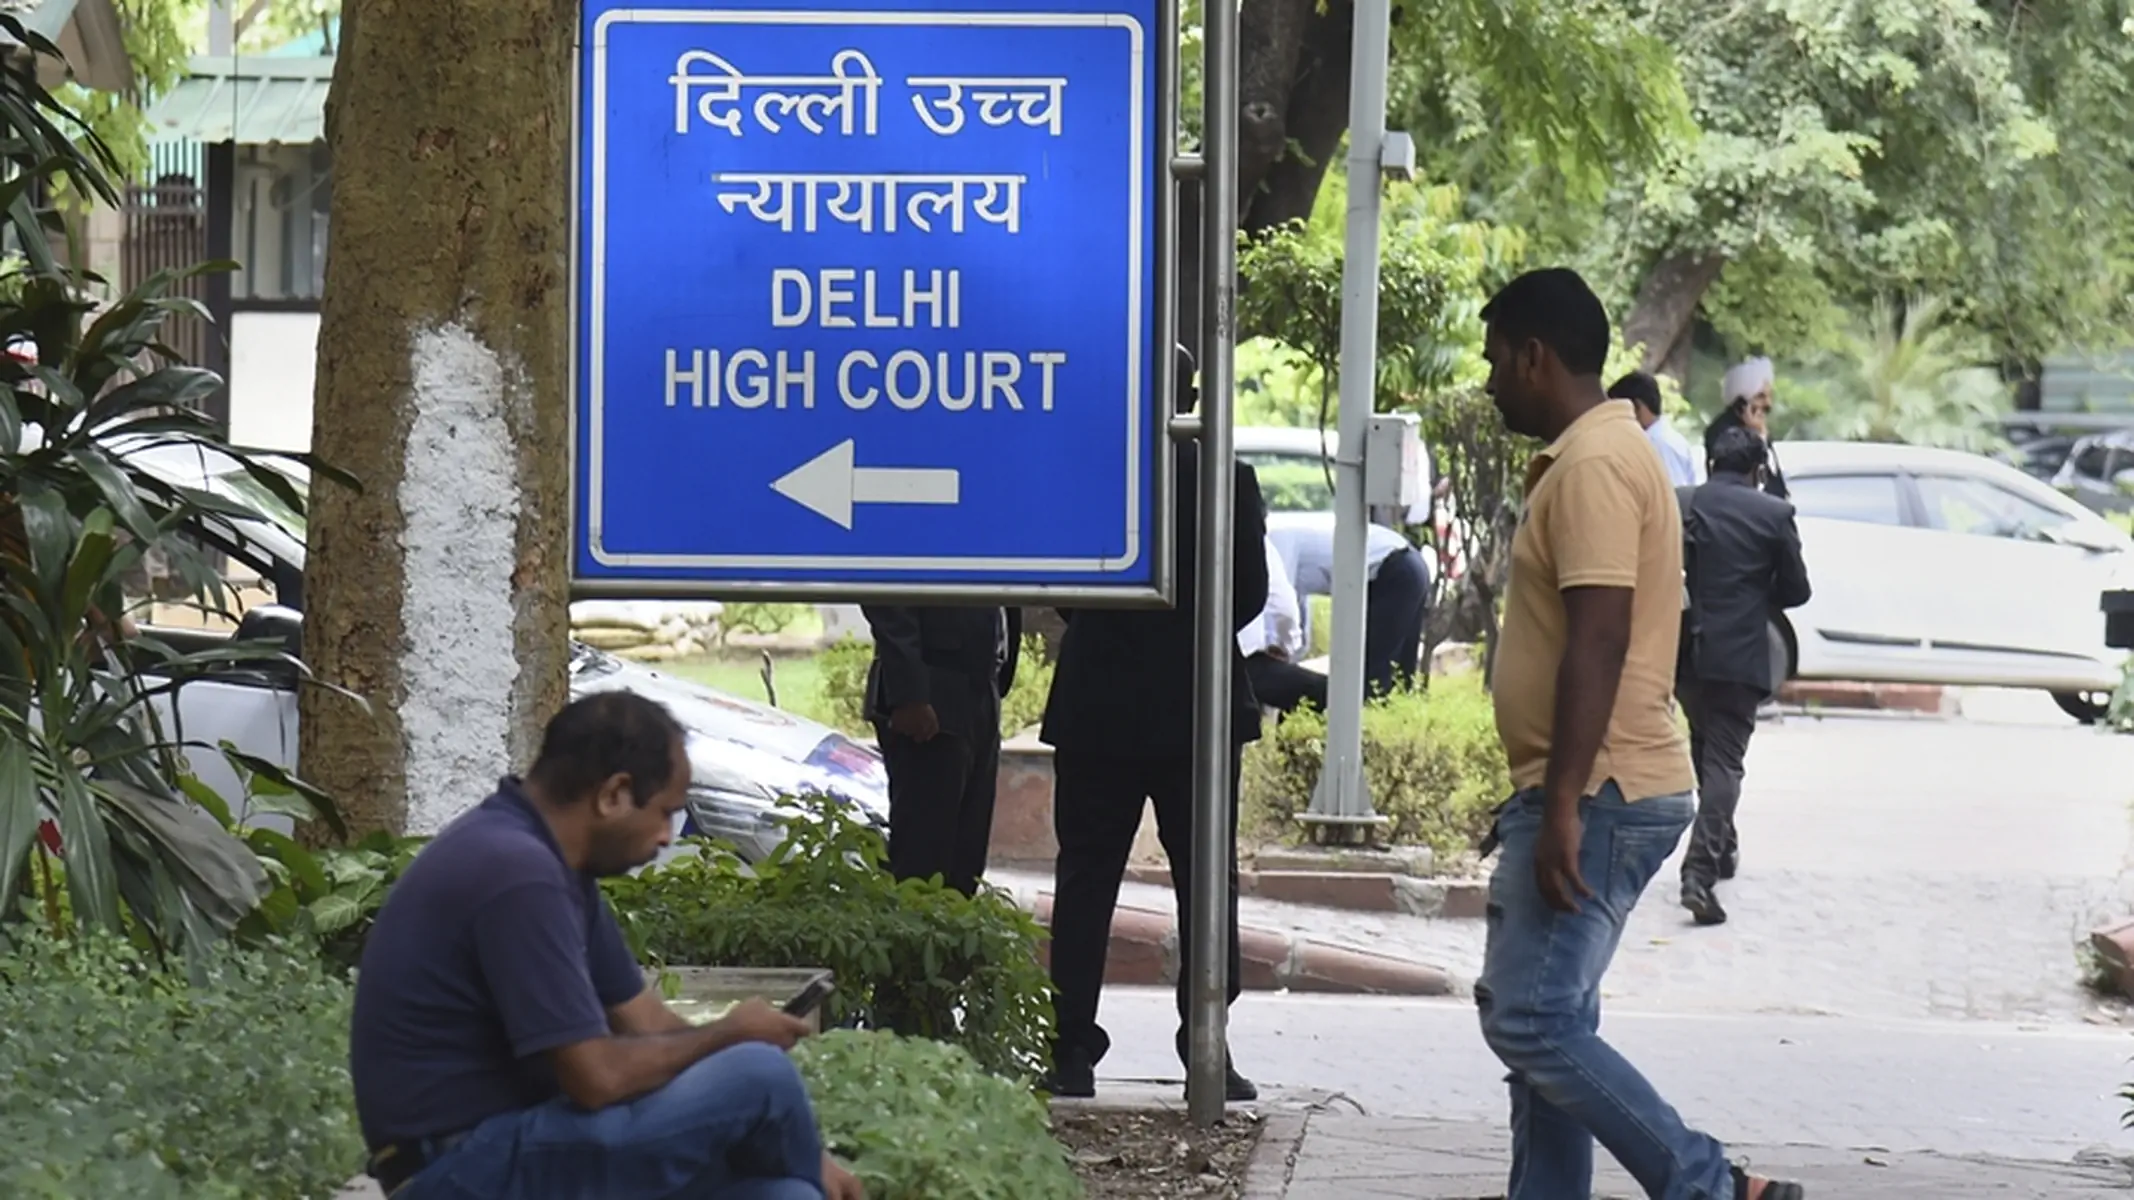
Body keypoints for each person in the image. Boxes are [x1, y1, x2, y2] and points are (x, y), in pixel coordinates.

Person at [1471, 267, 1803, 1200]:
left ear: (1535, 357)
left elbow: (1600, 635)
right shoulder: (1606, 452)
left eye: (1495, 360)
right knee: (1551, 1024)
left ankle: (1709, 1184)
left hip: (1603, 788)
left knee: (1530, 1020)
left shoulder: (1594, 466)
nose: (1489, 382)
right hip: (1593, 783)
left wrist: (1564, 804)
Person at [350, 692, 865, 1200]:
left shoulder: (556, 866)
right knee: (761, 1074)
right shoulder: (517, 873)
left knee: (784, 1194)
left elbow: (648, 1023)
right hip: (454, 1165)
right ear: (614, 794)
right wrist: (731, 1037)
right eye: (665, 813)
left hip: (519, 1146)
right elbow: (596, 1078)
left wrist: (784, 1126)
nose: (667, 837)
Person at [1038, 344, 1268, 1103]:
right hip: (1197, 704)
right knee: (1207, 882)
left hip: (1098, 704)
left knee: (1086, 878)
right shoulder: (1228, 476)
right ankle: (1207, 1045)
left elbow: (1065, 590)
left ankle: (1072, 1050)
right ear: (1193, 397)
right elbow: (1247, 595)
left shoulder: (1089, 474)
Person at [1674, 425, 1812, 927]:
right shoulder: (1773, 514)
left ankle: (1723, 845)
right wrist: (1755, 590)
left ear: (1711, 463)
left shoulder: (1682, 502)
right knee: (1725, 763)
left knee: (1704, 747)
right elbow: (1797, 591)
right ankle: (1699, 872)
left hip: (1686, 652)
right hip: (1740, 654)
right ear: (1757, 470)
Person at [860, 602, 1020, 897]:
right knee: (923, 859)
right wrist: (909, 694)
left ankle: (953, 925)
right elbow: (890, 600)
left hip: (982, 684)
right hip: (931, 689)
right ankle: (914, 927)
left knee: (966, 860)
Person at [1266, 519, 1431, 696]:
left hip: (1395, 569)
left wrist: (1278, 648)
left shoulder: (1275, 544)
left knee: (1369, 682)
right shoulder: (1288, 540)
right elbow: (1296, 615)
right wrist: (1289, 650)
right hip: (1406, 565)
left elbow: (1282, 608)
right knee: (1398, 678)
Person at [1239, 534, 1326, 714]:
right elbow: (1283, 608)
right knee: (1324, 692)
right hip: (1247, 659)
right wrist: (1285, 647)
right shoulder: (1259, 544)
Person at [1608, 370, 1703, 488]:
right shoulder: (1663, 439)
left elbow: (1674, 494)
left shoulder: (1659, 445)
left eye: (1618, 410)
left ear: (1637, 407)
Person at [1709, 357, 1787, 499]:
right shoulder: (1723, 433)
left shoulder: (1758, 428)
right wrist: (1758, 437)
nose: (1768, 404)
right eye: (1760, 396)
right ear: (1742, 401)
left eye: (1769, 396)